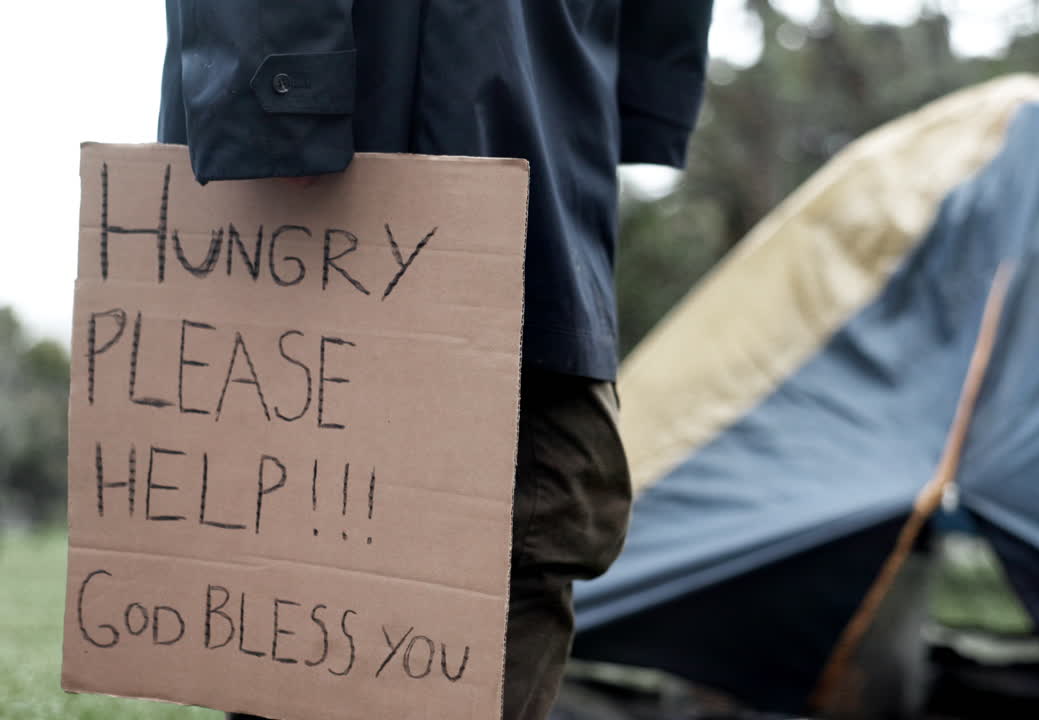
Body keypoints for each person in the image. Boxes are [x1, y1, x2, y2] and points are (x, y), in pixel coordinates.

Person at [157, 3, 714, 719]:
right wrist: (285, 94)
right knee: (297, 525)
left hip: (538, 102)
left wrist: (647, 86)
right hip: (368, 118)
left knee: (529, 512)